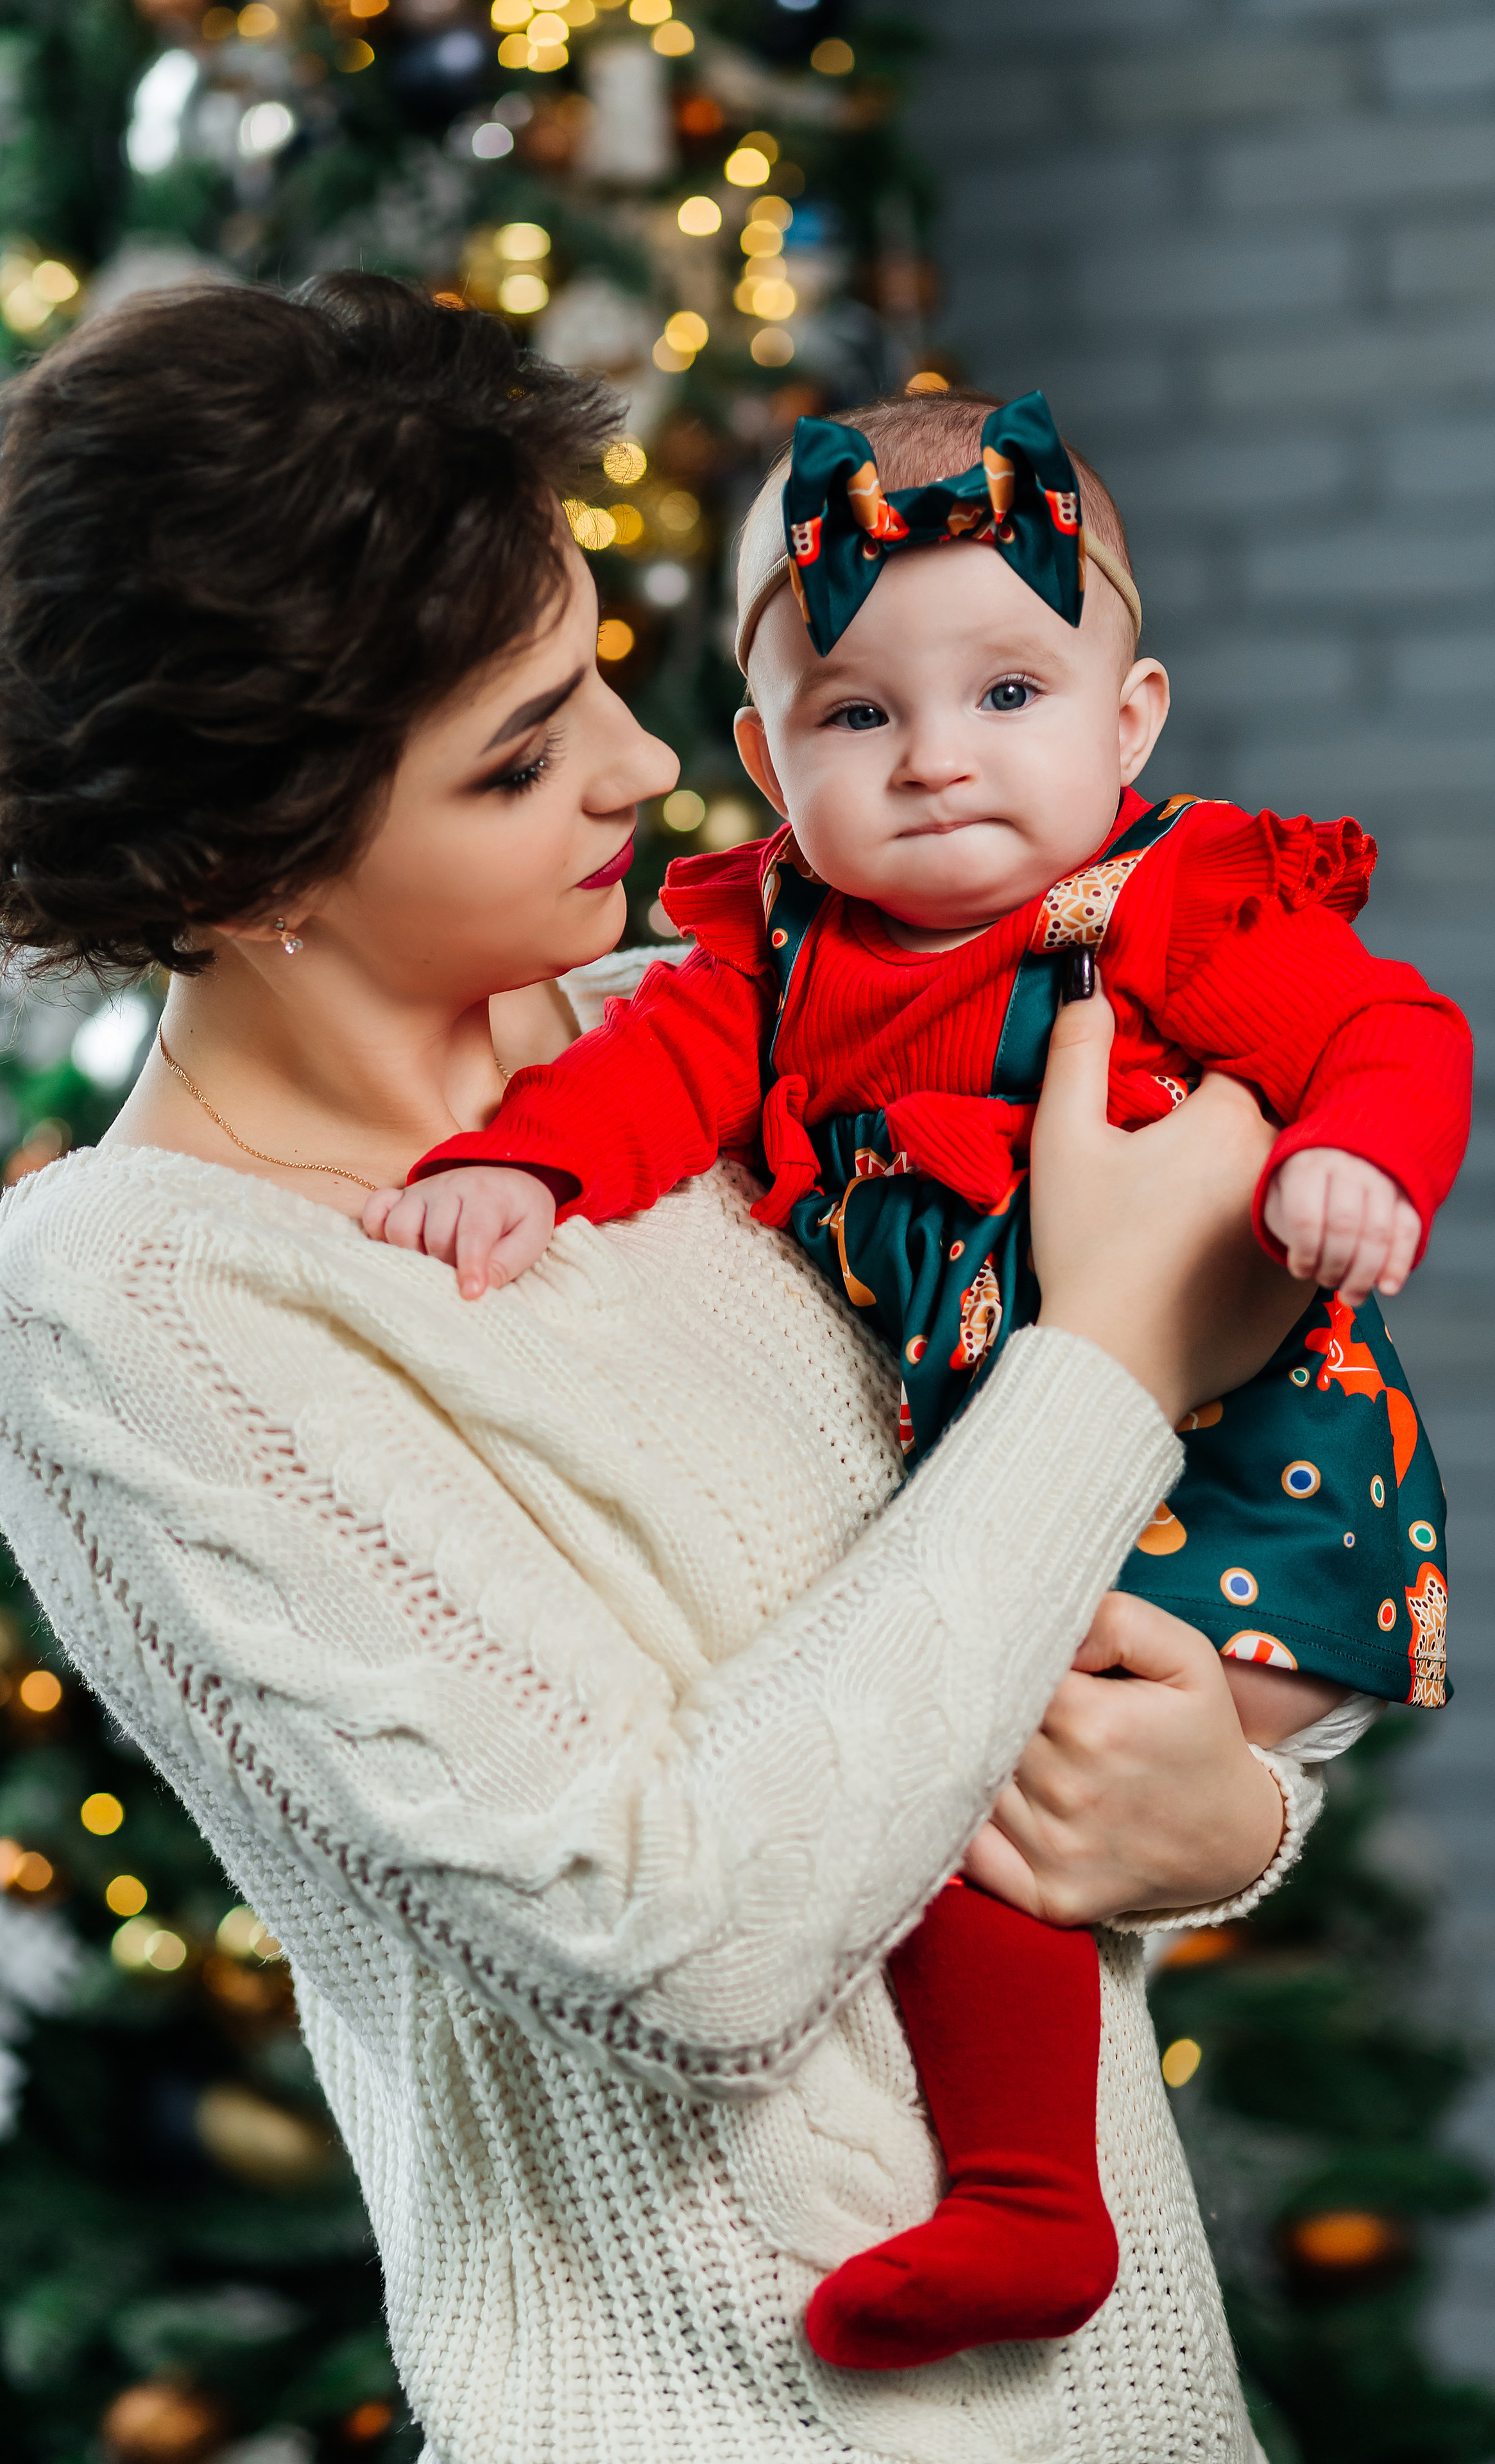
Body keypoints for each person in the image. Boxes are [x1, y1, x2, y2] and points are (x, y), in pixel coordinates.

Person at [0, 275, 1323, 2464]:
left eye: (595, 671)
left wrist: (1226, 1811)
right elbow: (681, 1934)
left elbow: (1037, 1608)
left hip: (1136, 2406)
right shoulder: (138, 1310)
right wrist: (1111, 1350)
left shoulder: (701, 1028)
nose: (651, 767)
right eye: (520, 752)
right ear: (249, 864)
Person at [373, 389, 1471, 2371]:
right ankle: (1034, 2197)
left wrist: (1351, 1161)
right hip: (1028, 1466)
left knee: (983, 1763)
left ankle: (1033, 2198)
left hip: (1244, 1481)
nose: (940, 759)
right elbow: (647, 1078)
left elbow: (1385, 1027)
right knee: (956, 1744)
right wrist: (519, 1163)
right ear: (763, 754)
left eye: (1010, 694)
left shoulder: (1170, 909)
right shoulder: (768, 950)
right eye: (859, 714)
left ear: (1130, 723)